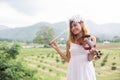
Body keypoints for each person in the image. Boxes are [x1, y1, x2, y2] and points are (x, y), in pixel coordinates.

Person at [50, 15, 96, 80]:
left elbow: (89, 59)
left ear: (81, 25)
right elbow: (68, 59)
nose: (73, 28)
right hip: (73, 70)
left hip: (85, 70)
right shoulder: (69, 42)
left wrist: (92, 54)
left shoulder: (91, 39)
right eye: (71, 27)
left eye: (75, 25)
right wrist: (56, 48)